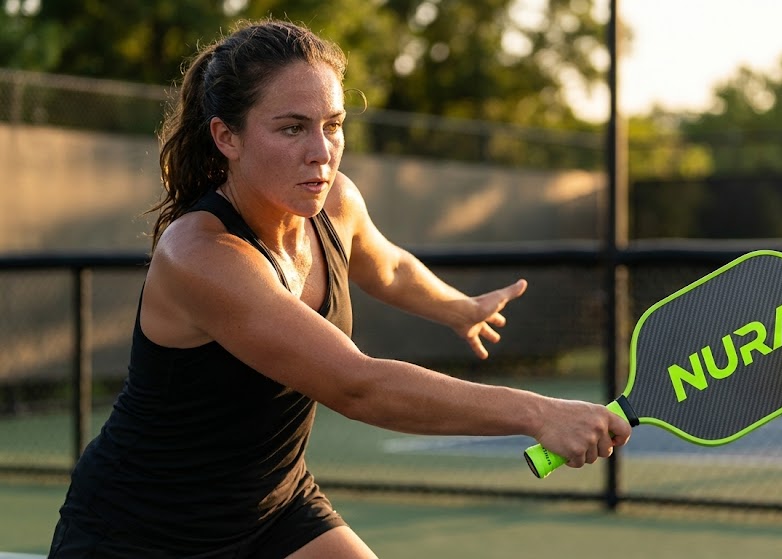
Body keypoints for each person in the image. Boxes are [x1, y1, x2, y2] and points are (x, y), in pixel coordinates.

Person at [48, 18, 631, 558]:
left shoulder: (335, 205)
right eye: (292, 128)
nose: (321, 153)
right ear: (227, 137)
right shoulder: (201, 254)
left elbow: (390, 268)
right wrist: (538, 413)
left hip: (273, 506)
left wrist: (459, 308)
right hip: (140, 530)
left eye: (333, 126)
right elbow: (358, 387)